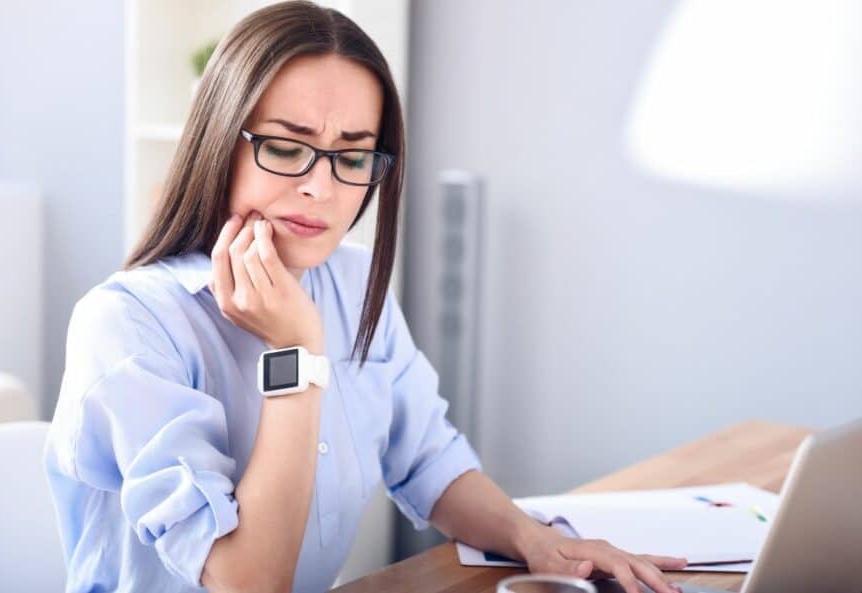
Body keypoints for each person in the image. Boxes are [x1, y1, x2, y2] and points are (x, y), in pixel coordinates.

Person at [44, 2, 687, 592]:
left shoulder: (351, 282)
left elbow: (429, 461)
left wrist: (538, 541)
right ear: (220, 142)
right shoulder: (128, 324)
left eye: (352, 159)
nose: (321, 189)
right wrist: (296, 352)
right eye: (287, 148)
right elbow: (248, 581)